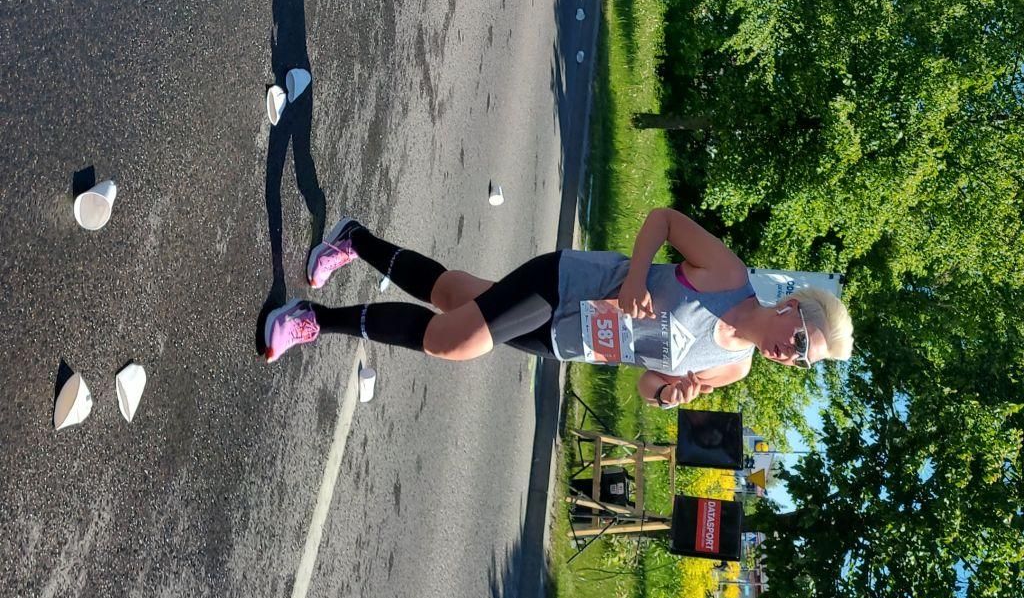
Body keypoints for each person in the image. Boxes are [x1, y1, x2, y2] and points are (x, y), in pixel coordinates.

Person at [263, 208, 853, 407]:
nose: (792, 355)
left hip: (570, 340)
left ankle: (354, 239)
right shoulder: (728, 276)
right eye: (803, 341)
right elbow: (664, 221)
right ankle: (314, 318)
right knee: (452, 341)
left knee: (453, 296)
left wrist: (668, 394)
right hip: (568, 284)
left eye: (804, 361)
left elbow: (645, 382)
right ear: (791, 307)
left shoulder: (734, 368)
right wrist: (637, 277)